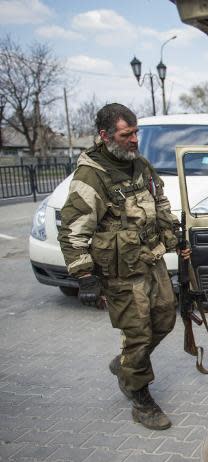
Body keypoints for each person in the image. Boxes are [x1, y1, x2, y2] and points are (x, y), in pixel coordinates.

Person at [58, 103, 190, 430]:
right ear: (105, 136)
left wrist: (175, 236)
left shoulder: (139, 165)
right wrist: (85, 277)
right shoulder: (92, 175)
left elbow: (159, 203)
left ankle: (127, 363)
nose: (134, 139)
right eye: (126, 134)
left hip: (150, 258)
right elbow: (73, 229)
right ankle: (139, 394)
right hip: (120, 272)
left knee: (165, 318)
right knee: (138, 332)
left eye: (136, 132)